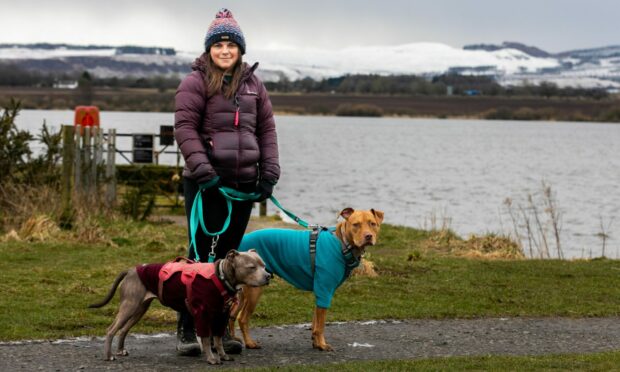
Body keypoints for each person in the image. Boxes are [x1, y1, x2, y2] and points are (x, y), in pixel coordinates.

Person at [174, 8, 280, 356]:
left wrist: (269, 173)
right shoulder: (194, 83)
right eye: (217, 44)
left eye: (230, 45)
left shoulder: (254, 86)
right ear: (208, 49)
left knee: (230, 260)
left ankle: (220, 331)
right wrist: (204, 172)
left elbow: (266, 130)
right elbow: (185, 129)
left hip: (243, 186)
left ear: (240, 50)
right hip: (206, 184)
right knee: (202, 257)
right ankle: (189, 329)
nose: (224, 50)